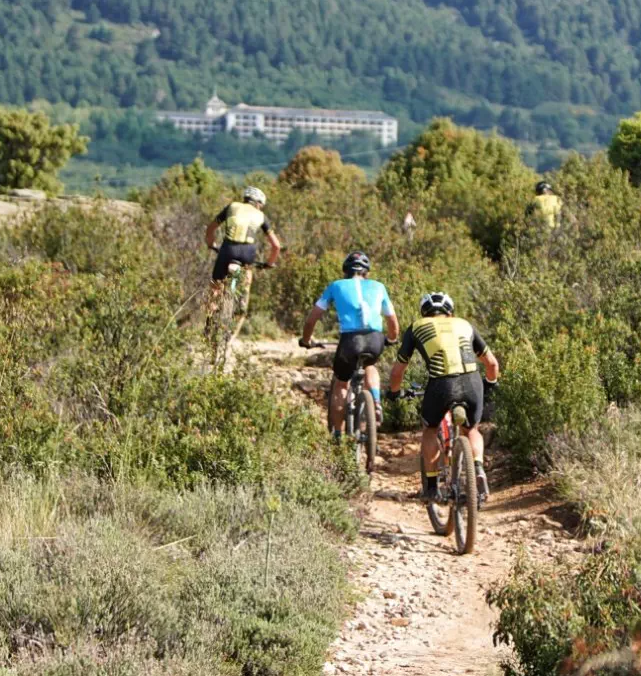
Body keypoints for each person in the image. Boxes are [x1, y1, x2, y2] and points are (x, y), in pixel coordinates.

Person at [385, 291, 499, 505]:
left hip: (441, 384)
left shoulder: (418, 327)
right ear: (450, 312)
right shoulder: (464, 324)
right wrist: (490, 385)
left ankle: (430, 487)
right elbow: (492, 364)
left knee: (430, 429)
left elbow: (397, 371)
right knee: (472, 429)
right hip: (472, 381)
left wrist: (393, 392)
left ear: (424, 312)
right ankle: (477, 467)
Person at [299, 251, 400, 440]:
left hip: (350, 341)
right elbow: (392, 321)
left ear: (346, 271)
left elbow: (312, 319)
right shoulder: (379, 287)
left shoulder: (336, 286)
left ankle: (337, 434)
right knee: (370, 365)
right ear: (366, 272)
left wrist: (306, 340)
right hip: (375, 338)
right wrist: (392, 339)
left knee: (341, 383)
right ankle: (376, 401)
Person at [204, 185, 281, 319]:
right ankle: (243, 300)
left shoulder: (232, 207)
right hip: (247, 252)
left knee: (215, 287)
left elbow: (210, 229)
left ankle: (209, 321)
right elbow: (276, 246)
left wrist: (211, 244)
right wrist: (269, 263)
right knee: (248, 273)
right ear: (258, 203)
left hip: (228, 249)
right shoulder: (261, 216)